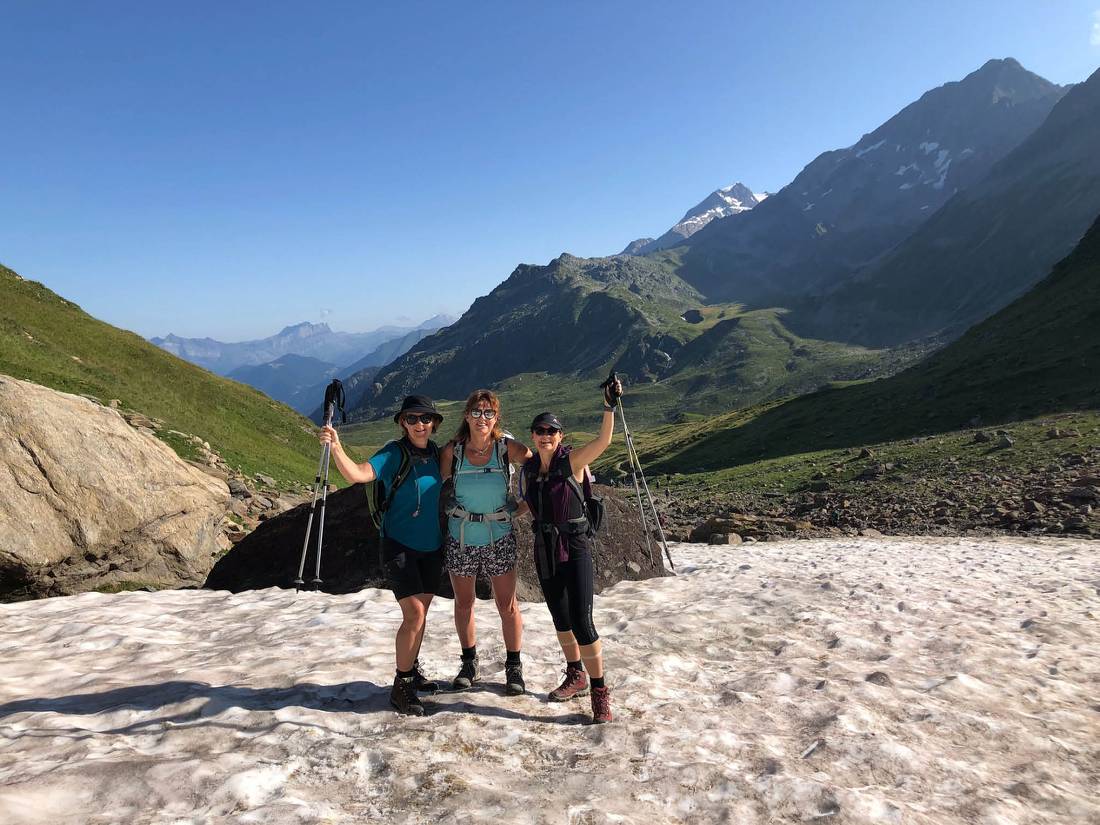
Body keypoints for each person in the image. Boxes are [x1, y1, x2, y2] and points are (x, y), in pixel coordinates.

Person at [320, 395, 444, 717]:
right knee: (414, 614)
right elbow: (358, 474)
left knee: (421, 614)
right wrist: (336, 447)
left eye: (426, 419)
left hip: (431, 548)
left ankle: (412, 670)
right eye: (413, 418)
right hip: (398, 545)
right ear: (403, 422)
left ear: (433, 424)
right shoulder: (394, 453)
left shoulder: (435, 453)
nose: (420, 424)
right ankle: (401, 687)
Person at [519, 377, 622, 724]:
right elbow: (527, 504)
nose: (545, 435)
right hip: (544, 547)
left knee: (582, 621)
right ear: (533, 435)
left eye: (552, 431)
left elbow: (604, 440)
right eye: (540, 430)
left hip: (575, 547)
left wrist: (609, 406)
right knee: (560, 619)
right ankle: (575, 673)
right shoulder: (530, 470)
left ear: (560, 436)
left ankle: (599, 692)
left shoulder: (573, 462)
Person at [439, 390, 533, 694]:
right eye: (477, 412)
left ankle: (514, 666)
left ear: (496, 418)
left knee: (507, 604)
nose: (482, 418)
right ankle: (469, 662)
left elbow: (538, 465)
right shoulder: (452, 452)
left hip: (499, 537)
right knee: (464, 603)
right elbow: (436, 487)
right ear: (466, 415)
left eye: (489, 413)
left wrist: (524, 507)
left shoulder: (506, 448)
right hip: (462, 537)